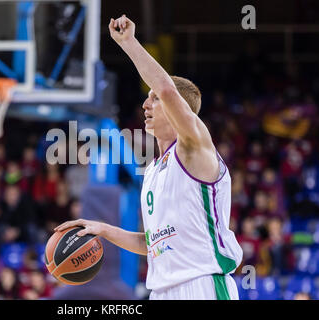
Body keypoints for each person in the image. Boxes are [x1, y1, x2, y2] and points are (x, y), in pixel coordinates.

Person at [55, 15, 243, 300]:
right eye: (149, 97)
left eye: (154, 98)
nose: (146, 103)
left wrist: (129, 43)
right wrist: (103, 229)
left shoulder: (194, 148)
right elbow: (154, 242)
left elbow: (168, 90)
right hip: (161, 291)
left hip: (202, 285)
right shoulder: (154, 169)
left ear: (177, 109)